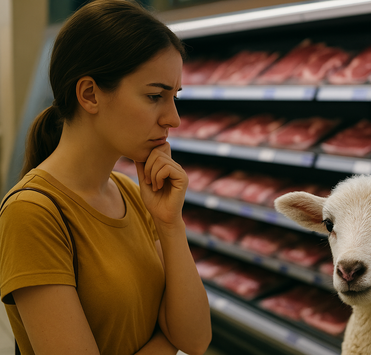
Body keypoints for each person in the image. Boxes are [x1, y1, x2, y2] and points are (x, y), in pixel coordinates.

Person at [0, 0, 212, 354]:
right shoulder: (32, 214)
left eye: (174, 97)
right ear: (89, 94)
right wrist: (165, 342)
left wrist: (170, 224)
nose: (173, 119)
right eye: (155, 96)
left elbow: (194, 338)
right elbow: (178, 342)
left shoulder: (131, 193)